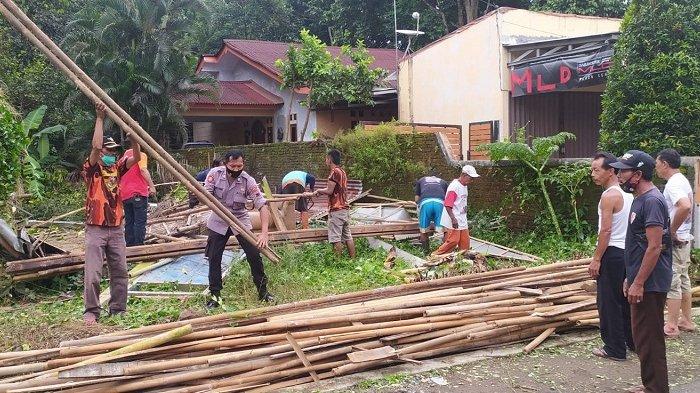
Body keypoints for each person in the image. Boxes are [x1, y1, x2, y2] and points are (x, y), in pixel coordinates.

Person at [611, 150, 672, 393]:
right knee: (643, 338)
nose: (619, 175)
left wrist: (639, 282)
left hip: (651, 283)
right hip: (641, 279)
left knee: (650, 339)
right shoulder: (640, 198)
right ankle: (651, 385)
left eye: (623, 171)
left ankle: (656, 388)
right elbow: (639, 245)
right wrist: (631, 276)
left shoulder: (652, 201)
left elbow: (655, 246)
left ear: (637, 174)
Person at [82, 103, 141, 325]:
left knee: (120, 271)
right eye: (109, 150)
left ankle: (118, 308)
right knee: (94, 273)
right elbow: (96, 147)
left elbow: (136, 157)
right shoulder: (92, 169)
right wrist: (99, 118)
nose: (111, 153)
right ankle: (91, 311)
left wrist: (134, 140)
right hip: (96, 226)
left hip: (116, 227)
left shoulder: (117, 167)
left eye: (114, 151)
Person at [203, 150, 273, 307]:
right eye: (232, 166)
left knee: (254, 255)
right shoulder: (214, 174)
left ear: (243, 165)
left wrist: (264, 234)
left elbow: (262, 206)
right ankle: (215, 296)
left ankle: (263, 293)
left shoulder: (248, 181)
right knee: (214, 257)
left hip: (240, 220)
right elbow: (205, 196)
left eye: (239, 166)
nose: (235, 169)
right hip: (218, 219)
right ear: (225, 164)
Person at [588, 152, 634, 361]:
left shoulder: (609, 196)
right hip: (627, 253)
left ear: (611, 171)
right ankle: (631, 341)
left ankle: (614, 348)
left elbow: (605, 231)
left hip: (612, 253)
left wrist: (597, 259)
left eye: (597, 170)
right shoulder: (628, 195)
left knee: (608, 302)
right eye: (592, 170)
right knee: (625, 301)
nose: (593, 174)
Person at [655, 148, 696, 337]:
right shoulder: (682, 180)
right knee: (683, 279)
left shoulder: (673, 184)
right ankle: (686, 320)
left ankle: (671, 325)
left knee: (672, 280)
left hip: (677, 239)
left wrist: (671, 231)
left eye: (657, 163)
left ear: (664, 163)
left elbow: (685, 206)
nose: (656, 167)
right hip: (685, 237)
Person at [307, 149, 355, 257]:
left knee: (335, 238)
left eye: (326, 158)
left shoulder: (334, 172)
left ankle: (337, 263)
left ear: (330, 159)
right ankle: (353, 259)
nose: (326, 160)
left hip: (337, 209)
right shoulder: (342, 172)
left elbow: (329, 190)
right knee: (348, 236)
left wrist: (318, 191)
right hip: (345, 208)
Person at [119, 136, 156, 246]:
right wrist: (152, 186)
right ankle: (138, 246)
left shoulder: (122, 159)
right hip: (138, 192)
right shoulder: (140, 155)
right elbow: (143, 170)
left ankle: (129, 246)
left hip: (125, 194)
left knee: (129, 221)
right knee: (140, 221)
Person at [433, 165, 479, 255]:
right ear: (463, 175)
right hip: (454, 217)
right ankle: (435, 256)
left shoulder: (464, 186)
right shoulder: (454, 187)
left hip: (461, 217)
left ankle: (463, 259)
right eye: (470, 178)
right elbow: (448, 204)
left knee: (465, 242)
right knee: (453, 241)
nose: (472, 181)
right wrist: (453, 219)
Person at [414, 173, 448, 254]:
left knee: (423, 231)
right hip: (440, 203)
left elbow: (416, 199)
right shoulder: (443, 182)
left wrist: (419, 208)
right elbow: (447, 198)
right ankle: (444, 252)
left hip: (426, 203)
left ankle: (426, 253)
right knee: (445, 230)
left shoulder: (421, 180)